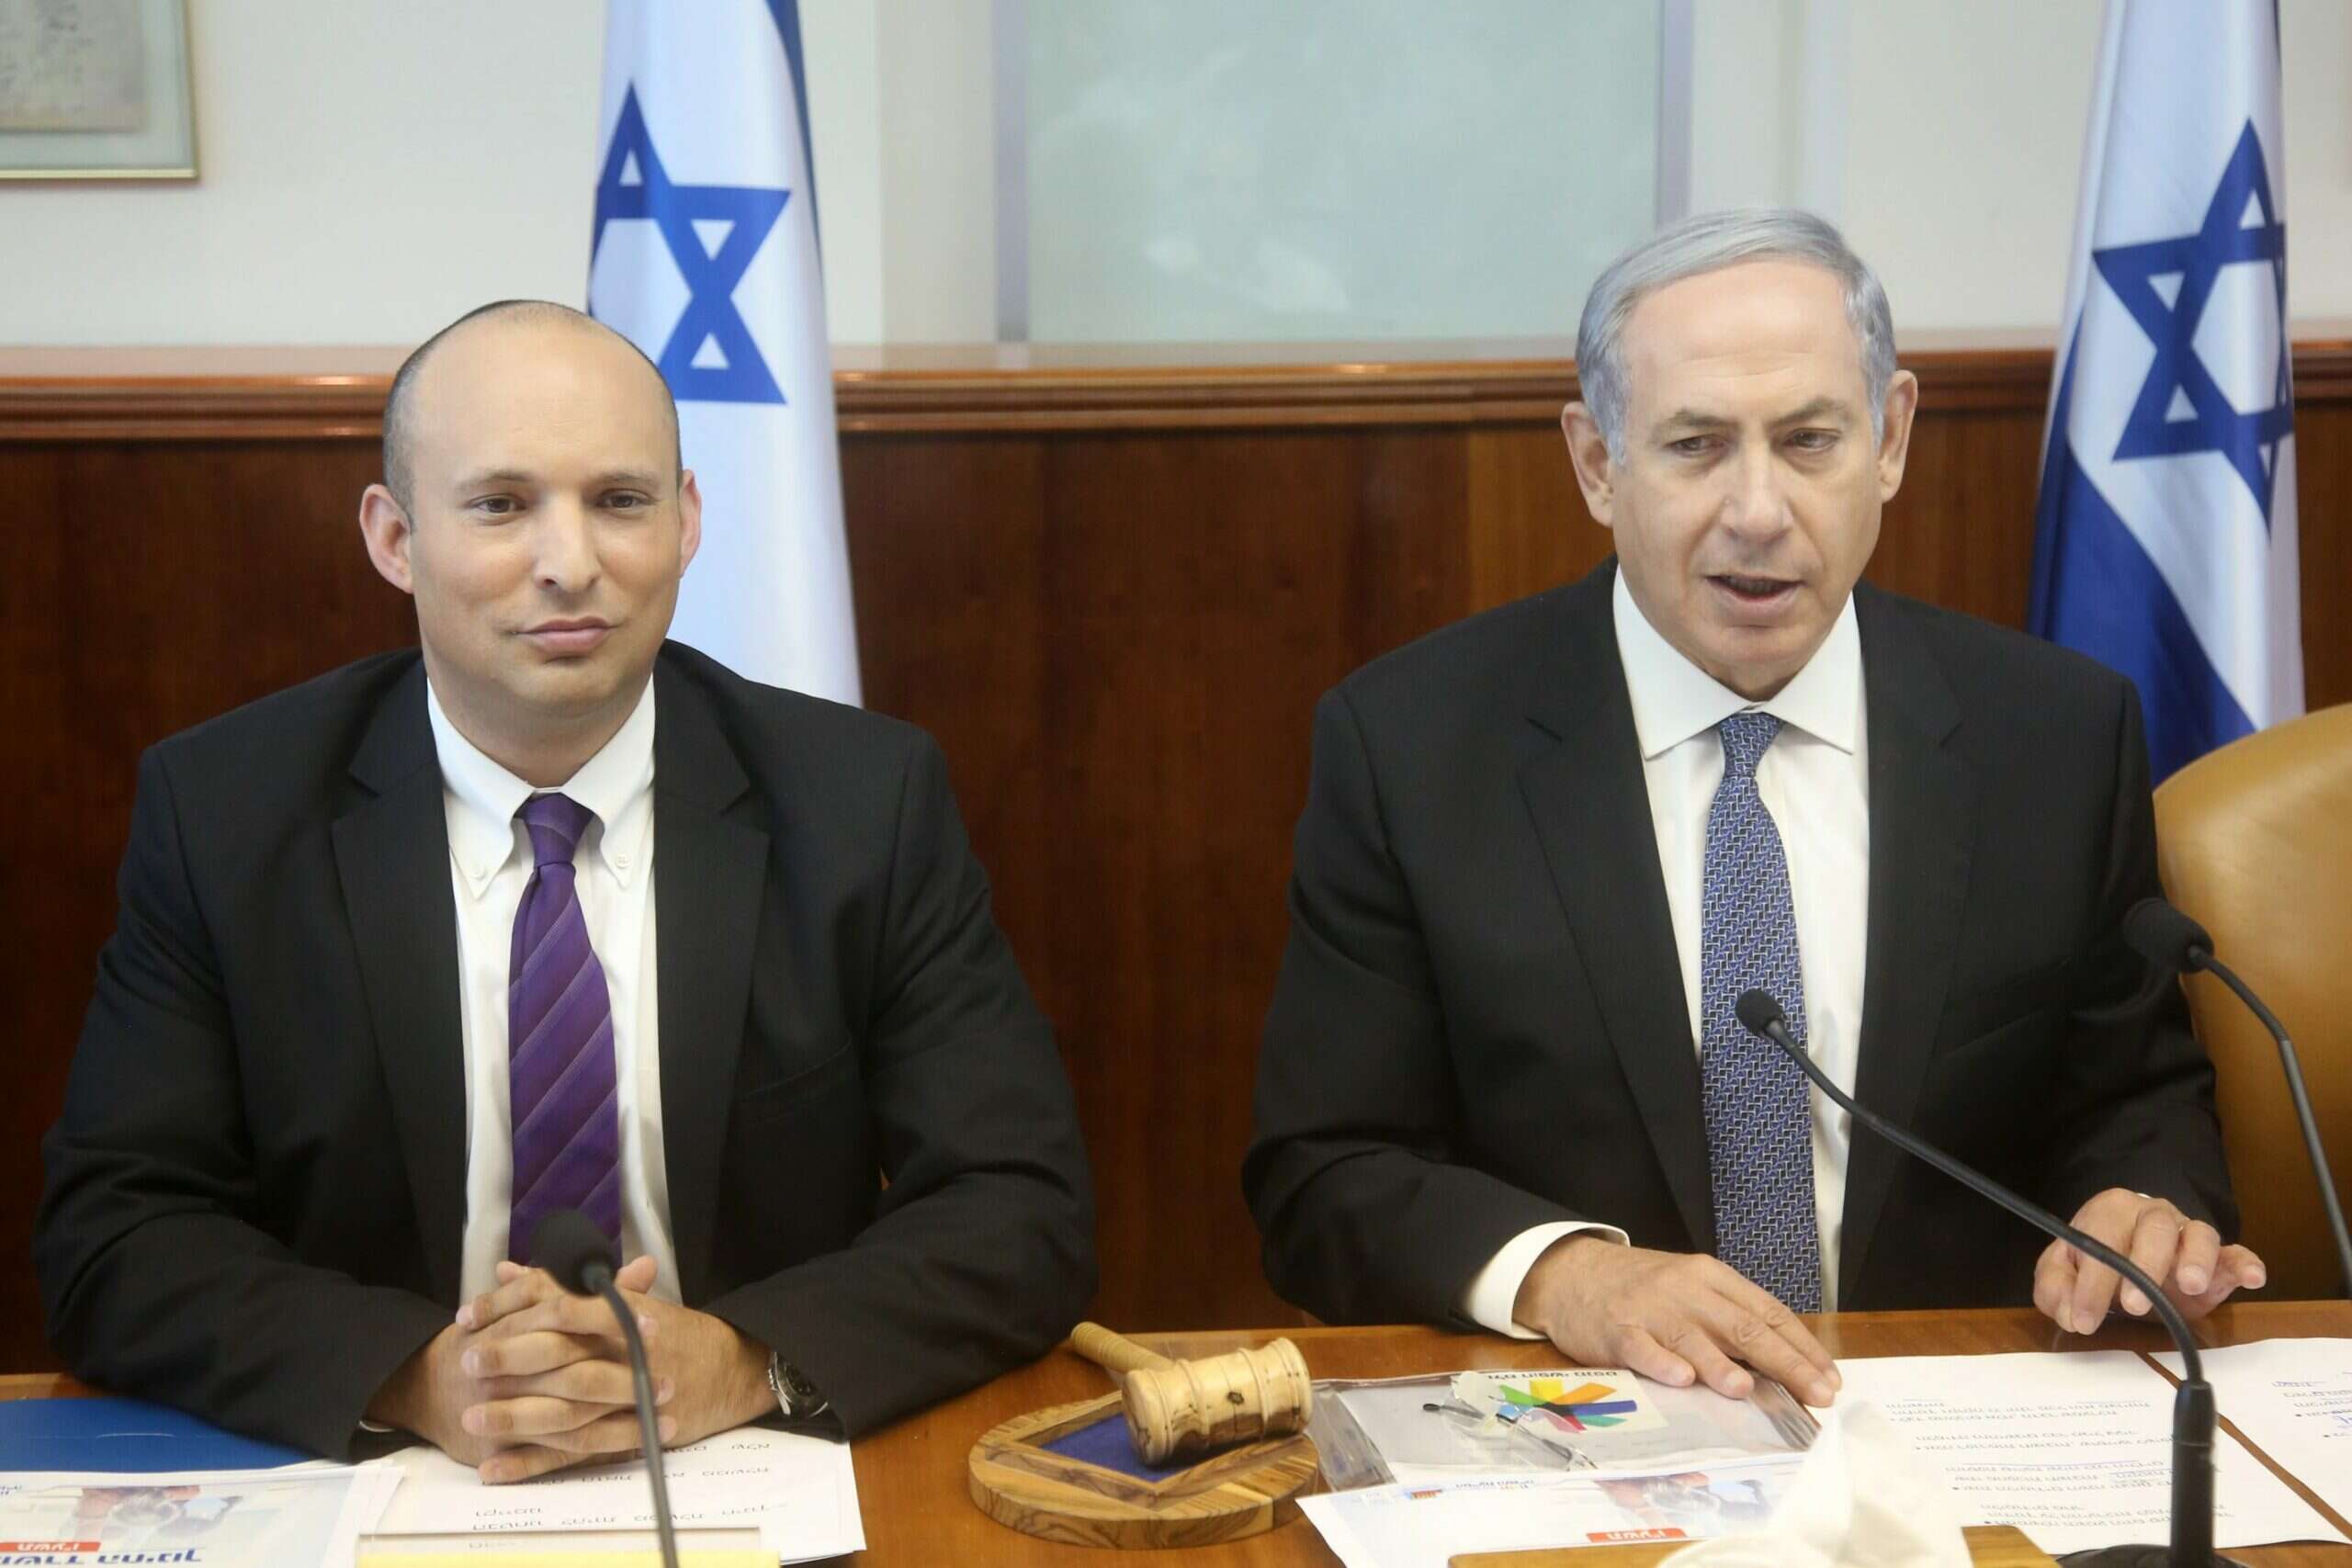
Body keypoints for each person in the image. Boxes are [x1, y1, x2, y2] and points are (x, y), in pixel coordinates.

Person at [37, 300, 1094, 1480]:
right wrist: (416, 1376)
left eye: (620, 501)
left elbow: (1021, 1205)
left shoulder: (862, 802)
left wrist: (741, 1361)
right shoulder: (226, 814)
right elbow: (115, 1234)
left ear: (687, 522)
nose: (570, 563)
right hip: (391, 1477)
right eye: (501, 505)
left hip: (741, 1467)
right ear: (394, 538)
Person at [1244, 209, 2259, 1411]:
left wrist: (2142, 1205)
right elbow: (1324, 1172)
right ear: (1596, 463)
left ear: (1890, 439)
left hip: (1952, 1431)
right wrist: (1566, 1276)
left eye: (1810, 440)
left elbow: (2136, 1099)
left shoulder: (2054, 735)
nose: (1760, 510)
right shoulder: (1413, 748)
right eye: (1696, 446)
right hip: (1583, 1430)